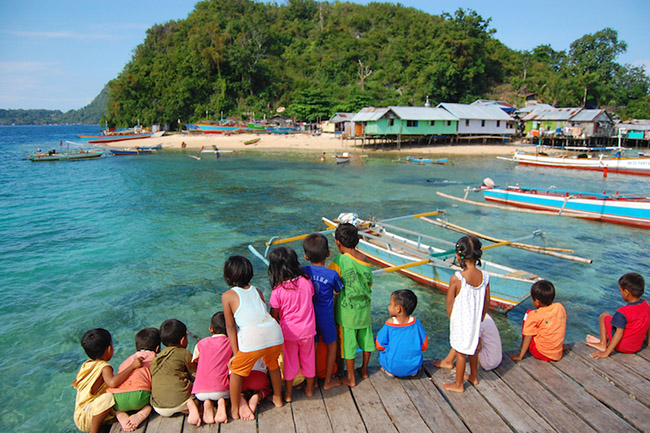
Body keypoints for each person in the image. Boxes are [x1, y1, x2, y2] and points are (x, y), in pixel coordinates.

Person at [221, 255, 284, 420]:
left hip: (254, 339)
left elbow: (230, 327)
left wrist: (236, 353)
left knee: (236, 372)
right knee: (272, 365)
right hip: (275, 333)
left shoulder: (227, 296)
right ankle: (277, 398)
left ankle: (234, 409)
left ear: (228, 276)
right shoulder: (257, 291)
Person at [268, 246, 317, 402]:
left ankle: (288, 394)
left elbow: (274, 315)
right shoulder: (306, 281)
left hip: (289, 333)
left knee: (290, 362)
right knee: (309, 359)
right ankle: (310, 389)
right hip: (308, 329)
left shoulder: (278, 290)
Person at [442, 236, 490, 393]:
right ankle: (474, 376)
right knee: (474, 348)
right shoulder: (485, 277)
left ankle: (458, 384)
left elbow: (449, 303)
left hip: (461, 322)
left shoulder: (457, 278)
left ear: (458, 256)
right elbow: (487, 301)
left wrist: (452, 319)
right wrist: (481, 317)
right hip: (476, 320)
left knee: (461, 353)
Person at [329, 222, 374, 387]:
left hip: (347, 313)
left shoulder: (340, 260)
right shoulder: (365, 258)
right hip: (364, 309)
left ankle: (351, 377)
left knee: (348, 345)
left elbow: (330, 280)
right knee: (366, 339)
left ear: (338, 243)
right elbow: (369, 283)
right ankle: (364, 370)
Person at [72, 328, 143, 433]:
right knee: (108, 398)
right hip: (88, 418)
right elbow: (112, 382)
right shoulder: (105, 367)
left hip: (79, 415)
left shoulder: (86, 365)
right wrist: (132, 366)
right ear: (109, 349)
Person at [302, 233, 343, 389]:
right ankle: (327, 381)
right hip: (326, 317)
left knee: (312, 349)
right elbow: (339, 290)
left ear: (306, 256)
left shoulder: (304, 271)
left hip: (309, 318)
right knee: (332, 346)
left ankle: (309, 382)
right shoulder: (332, 274)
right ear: (328, 253)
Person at [107, 327, 160, 432]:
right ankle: (141, 413)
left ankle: (121, 415)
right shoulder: (155, 357)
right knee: (150, 404)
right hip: (140, 396)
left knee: (117, 409)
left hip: (118, 399)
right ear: (157, 348)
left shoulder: (126, 360)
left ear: (137, 347)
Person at [150, 319, 201, 426]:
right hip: (181, 401)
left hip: (159, 408)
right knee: (198, 395)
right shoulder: (184, 353)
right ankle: (191, 406)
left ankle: (182, 409)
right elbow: (196, 375)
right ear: (183, 340)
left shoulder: (156, 358)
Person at [586, 272, 650, 358]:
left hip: (622, 347)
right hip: (636, 347)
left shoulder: (623, 311)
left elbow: (619, 333)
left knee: (604, 316)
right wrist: (648, 342)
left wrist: (607, 353)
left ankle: (602, 344)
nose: (621, 293)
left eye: (621, 291)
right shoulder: (646, 305)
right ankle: (603, 342)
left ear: (626, 292)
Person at [510, 280, 567, 362]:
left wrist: (520, 356)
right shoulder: (560, 307)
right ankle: (557, 347)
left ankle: (522, 348)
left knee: (528, 315)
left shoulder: (534, 315)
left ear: (537, 301)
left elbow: (528, 336)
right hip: (557, 354)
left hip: (541, 353)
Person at [375, 289, 428, 377]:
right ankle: (413, 371)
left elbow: (379, 345)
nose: (389, 307)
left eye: (390, 304)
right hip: (413, 367)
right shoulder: (417, 323)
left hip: (392, 367)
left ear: (398, 309)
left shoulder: (389, 324)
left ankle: (388, 371)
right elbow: (424, 346)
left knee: (383, 354)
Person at [191, 312, 232, 425]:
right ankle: (222, 402)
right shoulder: (231, 343)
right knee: (228, 386)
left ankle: (206, 403)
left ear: (211, 329)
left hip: (199, 392)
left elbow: (194, 363)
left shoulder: (201, 343)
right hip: (222, 390)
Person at [434, 313, 502, 372]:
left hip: (488, 362)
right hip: (497, 358)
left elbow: (478, 347)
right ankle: (448, 361)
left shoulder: (477, 321)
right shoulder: (485, 316)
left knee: (464, 337)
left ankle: (448, 361)